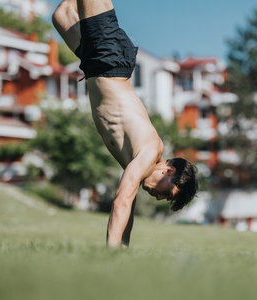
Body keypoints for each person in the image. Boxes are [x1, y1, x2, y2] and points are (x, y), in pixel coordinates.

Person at [52, 0, 198, 248]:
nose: (158, 196)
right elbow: (121, 200)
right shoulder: (149, 153)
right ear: (168, 171)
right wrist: (111, 254)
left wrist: (123, 250)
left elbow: (128, 206)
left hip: (100, 62)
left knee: (62, 14)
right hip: (109, 58)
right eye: (166, 192)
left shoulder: (139, 163)